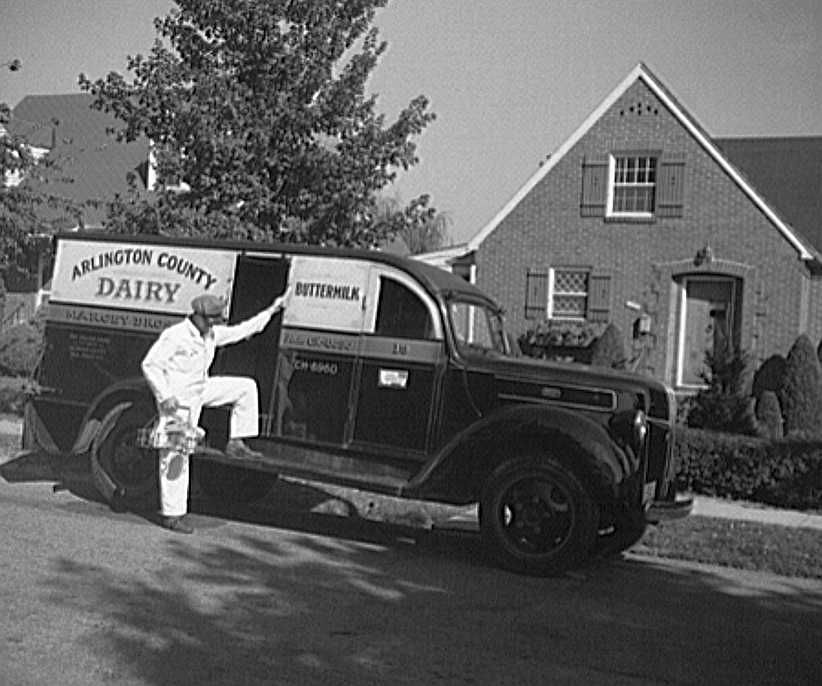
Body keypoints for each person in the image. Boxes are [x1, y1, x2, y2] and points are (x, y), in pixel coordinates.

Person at [142, 288, 290, 533]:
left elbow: (244, 330)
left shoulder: (209, 335)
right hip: (178, 402)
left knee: (246, 388)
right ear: (199, 316)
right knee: (176, 455)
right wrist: (164, 395)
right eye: (213, 319)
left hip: (200, 390)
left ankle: (237, 442)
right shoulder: (175, 335)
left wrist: (273, 309)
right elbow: (150, 365)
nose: (216, 324)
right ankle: (172, 515)